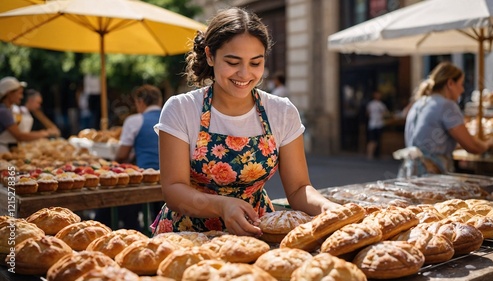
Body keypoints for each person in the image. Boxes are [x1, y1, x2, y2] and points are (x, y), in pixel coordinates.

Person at [150, 7, 341, 237]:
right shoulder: (181, 109)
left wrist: (327, 208)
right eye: (233, 62)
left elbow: (299, 188)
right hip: (187, 236)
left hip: (256, 231)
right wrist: (221, 206)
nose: (244, 74)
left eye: (255, 63)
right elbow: (173, 190)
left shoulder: (281, 112)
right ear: (210, 56)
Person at [402, 62, 493, 176]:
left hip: (409, 171)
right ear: (450, 83)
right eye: (461, 84)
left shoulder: (419, 103)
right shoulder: (447, 106)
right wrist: (489, 144)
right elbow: (472, 146)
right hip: (431, 173)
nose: (462, 90)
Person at [95, 84, 163, 231]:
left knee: (123, 206)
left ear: (140, 102)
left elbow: (121, 154)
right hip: (173, 177)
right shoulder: (172, 117)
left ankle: (132, 230)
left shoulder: (135, 120)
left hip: (146, 178)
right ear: (159, 101)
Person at [0, 77, 58, 153]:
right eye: (19, 93)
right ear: (9, 93)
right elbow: (20, 136)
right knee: (10, 166)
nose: (21, 97)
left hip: (8, 149)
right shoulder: (3, 111)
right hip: (2, 150)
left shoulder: (8, 110)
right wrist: (43, 134)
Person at [366, 90, 389, 159]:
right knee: (373, 140)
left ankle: (374, 154)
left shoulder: (380, 104)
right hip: (373, 124)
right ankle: (370, 154)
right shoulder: (372, 104)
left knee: (376, 140)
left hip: (378, 124)